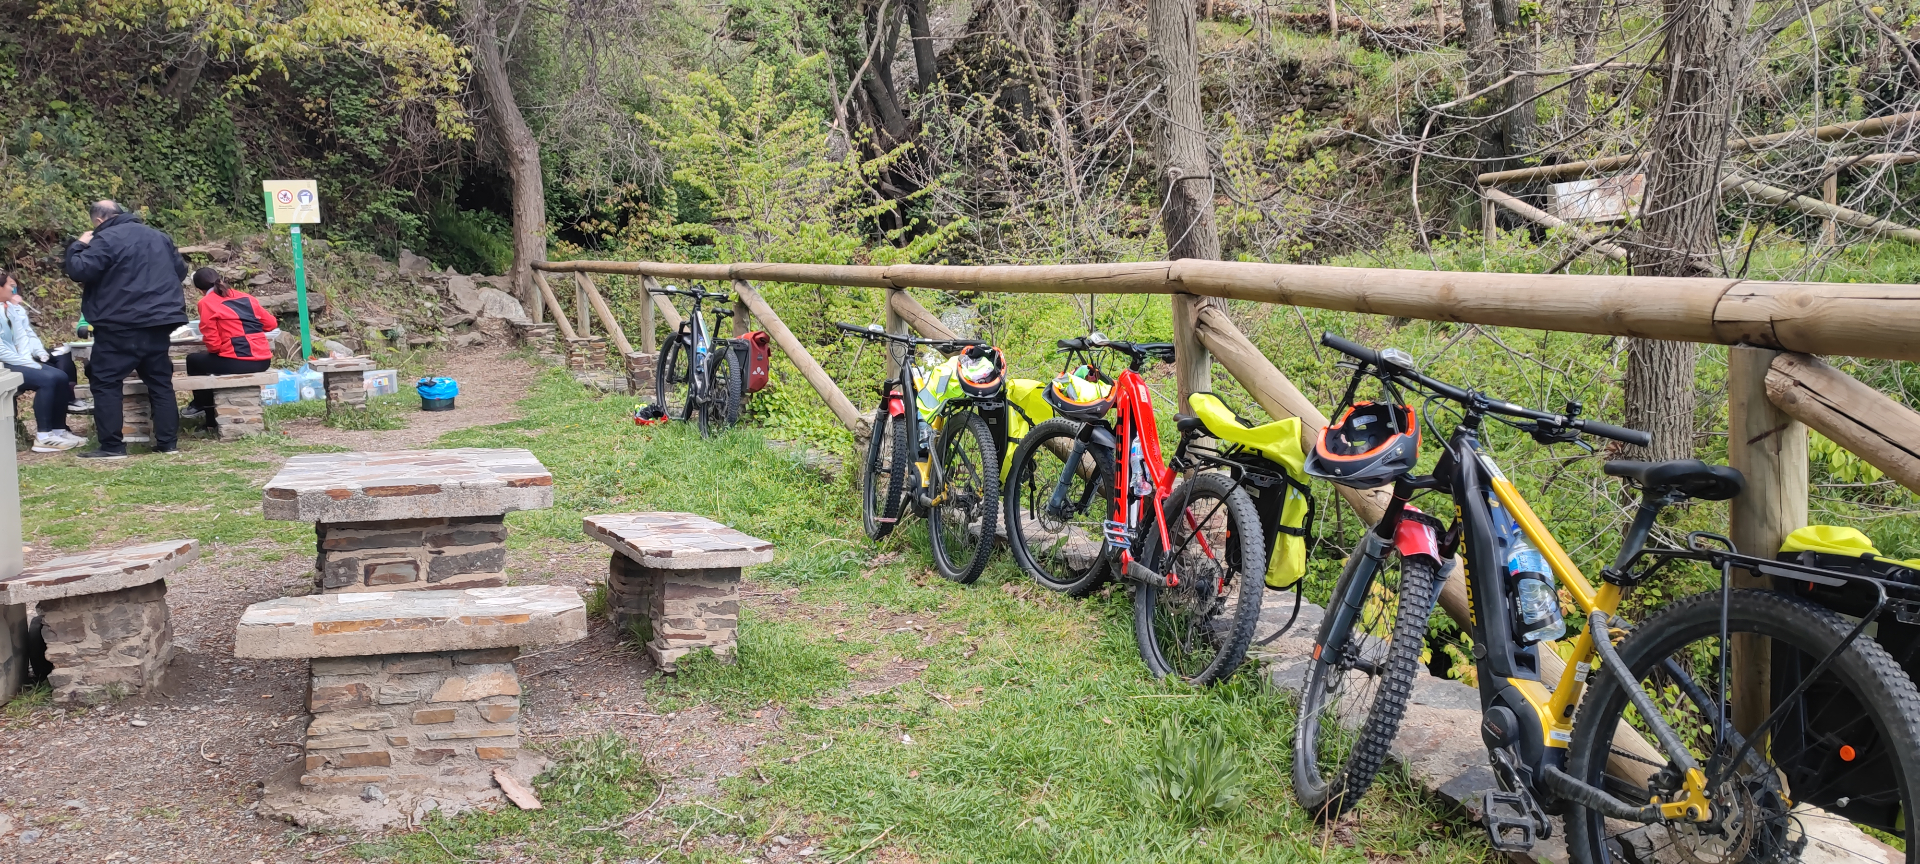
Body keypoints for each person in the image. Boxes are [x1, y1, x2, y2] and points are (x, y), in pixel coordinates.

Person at [61, 199, 188, 459]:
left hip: (119, 325)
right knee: (160, 383)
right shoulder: (159, 237)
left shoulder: (104, 239)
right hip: (159, 323)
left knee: (106, 382)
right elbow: (181, 271)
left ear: (98, 220)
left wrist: (79, 244)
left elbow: (78, 269)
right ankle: (168, 444)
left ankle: (112, 446)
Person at [0, 273, 85, 452]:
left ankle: (58, 430)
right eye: (10, 285)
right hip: (3, 365)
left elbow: (25, 335)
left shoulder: (12, 309)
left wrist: (36, 354)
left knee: (60, 376)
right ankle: (43, 437)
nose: (13, 289)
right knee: (46, 379)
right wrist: (27, 363)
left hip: (17, 360)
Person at [181, 268, 275, 424]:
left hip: (240, 360)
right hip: (264, 360)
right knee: (211, 363)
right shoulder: (246, 297)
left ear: (199, 289)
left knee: (193, 361)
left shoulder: (206, 302)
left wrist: (225, 342)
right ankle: (207, 414)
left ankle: (203, 408)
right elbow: (271, 324)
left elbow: (213, 345)